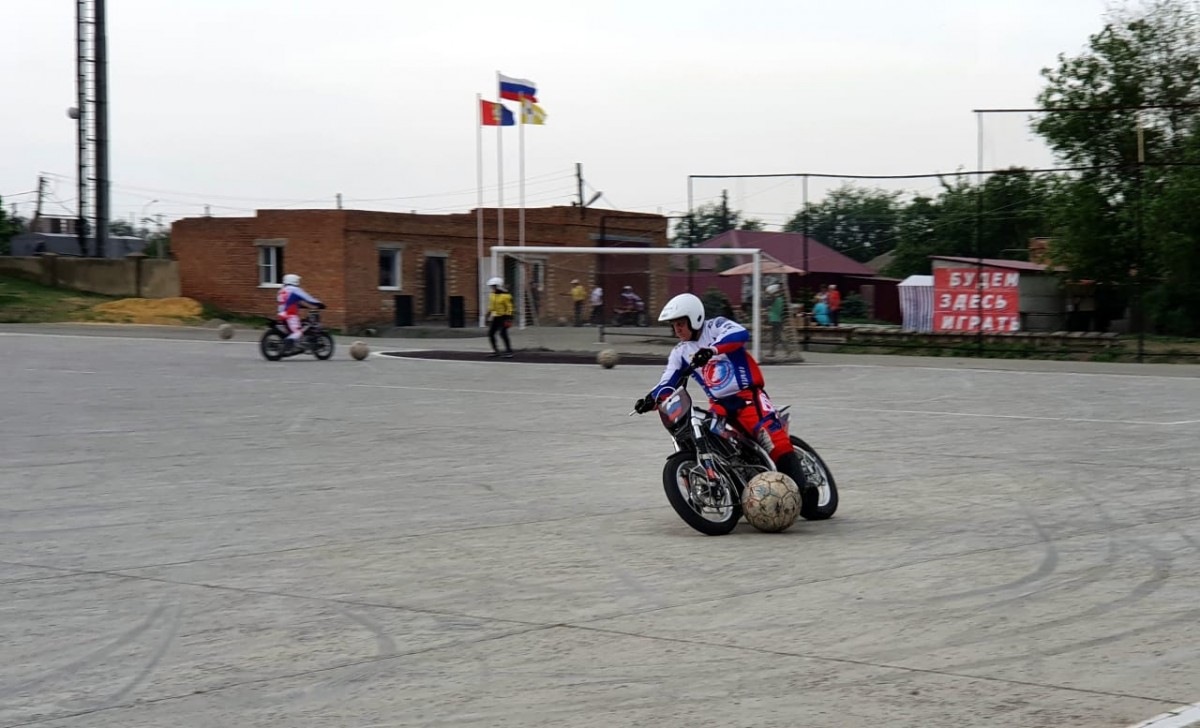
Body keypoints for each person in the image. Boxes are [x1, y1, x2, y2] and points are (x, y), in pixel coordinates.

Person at [633, 292, 809, 493]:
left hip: (748, 397)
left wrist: (712, 350)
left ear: (694, 318)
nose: (677, 329)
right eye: (674, 325)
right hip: (720, 406)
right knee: (710, 436)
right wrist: (650, 399)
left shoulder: (715, 326)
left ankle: (803, 492)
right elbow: (668, 380)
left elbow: (740, 334)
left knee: (774, 441)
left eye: (680, 323)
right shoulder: (679, 352)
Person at [276, 273, 324, 355]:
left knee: (294, 329)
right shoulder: (294, 289)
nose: (299, 282)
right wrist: (319, 304)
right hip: (290, 315)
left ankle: (294, 345)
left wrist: (307, 306)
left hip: (282, 314)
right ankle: (287, 344)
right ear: (294, 281)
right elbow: (307, 297)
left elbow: (294, 301)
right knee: (298, 332)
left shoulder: (281, 291)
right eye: (298, 281)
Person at [485, 276, 515, 358]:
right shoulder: (492, 295)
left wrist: (509, 319)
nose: (492, 288)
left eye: (494, 286)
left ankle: (509, 351)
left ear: (498, 286)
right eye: (491, 286)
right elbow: (491, 306)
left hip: (504, 317)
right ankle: (495, 350)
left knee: (503, 333)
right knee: (491, 334)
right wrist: (487, 315)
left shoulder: (506, 296)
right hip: (496, 317)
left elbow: (510, 307)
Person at [766, 283, 787, 357]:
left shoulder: (774, 299)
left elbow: (769, 300)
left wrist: (771, 292)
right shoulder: (781, 299)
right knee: (777, 337)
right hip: (778, 319)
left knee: (775, 337)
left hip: (774, 319)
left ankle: (773, 352)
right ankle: (774, 352)